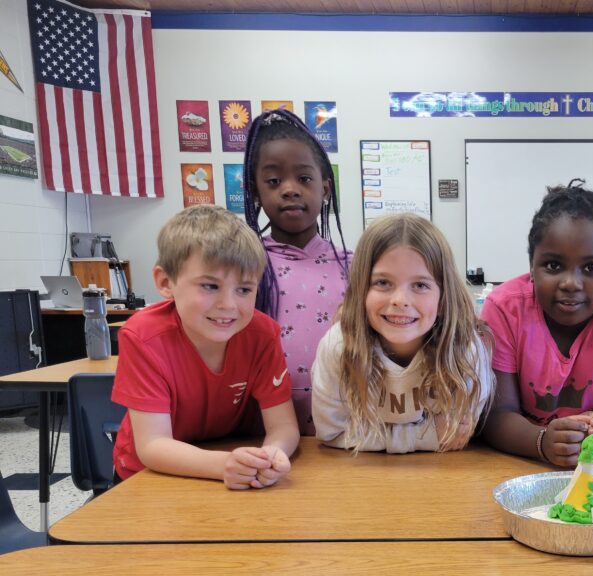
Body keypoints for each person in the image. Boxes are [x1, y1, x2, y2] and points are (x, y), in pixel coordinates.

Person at [480, 180, 593, 467]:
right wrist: (542, 441)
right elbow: (496, 415)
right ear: (531, 265)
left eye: (591, 267)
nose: (571, 283)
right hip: (516, 464)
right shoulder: (503, 309)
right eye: (553, 265)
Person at [112, 205, 300, 489]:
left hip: (230, 466)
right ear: (166, 282)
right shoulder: (142, 337)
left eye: (244, 289)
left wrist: (271, 456)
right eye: (210, 286)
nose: (229, 305)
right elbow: (153, 445)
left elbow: (283, 426)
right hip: (149, 476)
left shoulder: (263, 335)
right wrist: (224, 465)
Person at [311, 213, 493, 453]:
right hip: (359, 471)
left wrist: (373, 436)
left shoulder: (463, 350)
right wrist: (422, 437)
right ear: (360, 290)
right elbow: (331, 432)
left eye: (420, 285)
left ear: (443, 298)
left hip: (442, 471)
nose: (400, 300)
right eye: (383, 283)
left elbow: (457, 434)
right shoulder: (338, 346)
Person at [243, 108, 352, 436]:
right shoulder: (245, 265)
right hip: (263, 429)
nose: (289, 189)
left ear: (326, 189)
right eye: (274, 181)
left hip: (346, 427)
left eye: (304, 179)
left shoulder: (355, 266)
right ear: (255, 192)